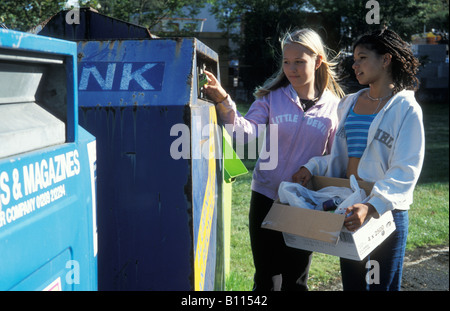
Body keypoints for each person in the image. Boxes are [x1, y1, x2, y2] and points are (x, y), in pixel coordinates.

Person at [203, 28, 344, 291]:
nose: (292, 69)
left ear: (318, 61)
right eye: (287, 62)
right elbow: (245, 134)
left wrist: (312, 169)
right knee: (266, 278)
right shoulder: (272, 98)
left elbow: (334, 158)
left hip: (303, 202)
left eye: (299, 62)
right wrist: (223, 100)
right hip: (265, 195)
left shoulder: (335, 108)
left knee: (296, 280)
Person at [293, 28, 424, 291]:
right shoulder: (349, 103)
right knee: (353, 286)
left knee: (380, 288)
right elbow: (338, 157)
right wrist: (311, 167)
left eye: (362, 57)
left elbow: (406, 169)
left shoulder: (405, 108)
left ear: (386, 59)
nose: (355, 65)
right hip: (349, 208)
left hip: (383, 213)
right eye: (354, 59)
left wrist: (372, 206)